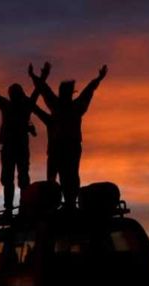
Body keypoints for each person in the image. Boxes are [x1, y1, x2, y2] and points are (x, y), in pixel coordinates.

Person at [0, 61, 50, 211]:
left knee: (19, 178)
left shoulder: (13, 106)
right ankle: (11, 208)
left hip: (16, 148)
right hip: (14, 148)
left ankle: (19, 207)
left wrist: (44, 75)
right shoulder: (16, 106)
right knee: (13, 179)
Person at [28, 64, 108, 208]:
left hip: (68, 147)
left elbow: (87, 91)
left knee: (68, 176)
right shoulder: (66, 106)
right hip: (60, 147)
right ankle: (60, 202)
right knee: (61, 176)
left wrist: (99, 79)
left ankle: (69, 202)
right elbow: (45, 90)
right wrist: (35, 77)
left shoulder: (70, 106)